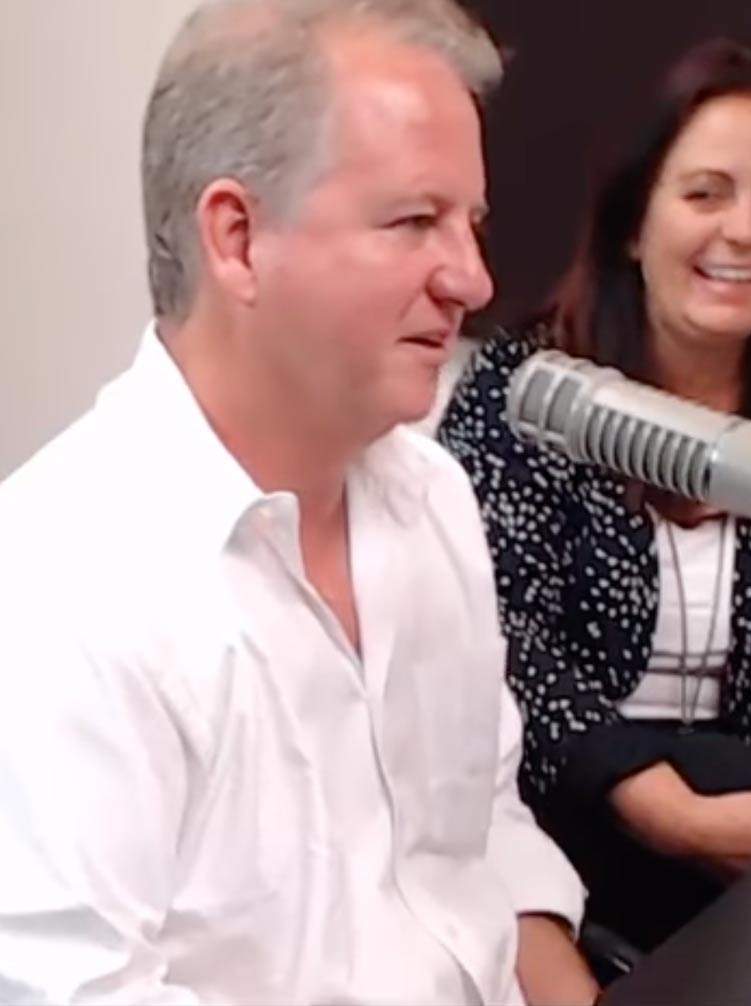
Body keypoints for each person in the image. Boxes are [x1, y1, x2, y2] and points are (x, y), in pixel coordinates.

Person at [0, 1, 597, 1002]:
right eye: (415, 221)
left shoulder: (434, 497)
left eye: (471, 224)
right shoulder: (60, 585)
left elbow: (481, 823)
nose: (474, 278)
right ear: (237, 239)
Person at [438, 38, 751, 951]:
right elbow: (495, 650)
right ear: (634, 220)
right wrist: (659, 808)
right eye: (706, 193)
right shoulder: (528, 387)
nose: (745, 232)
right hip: (561, 827)